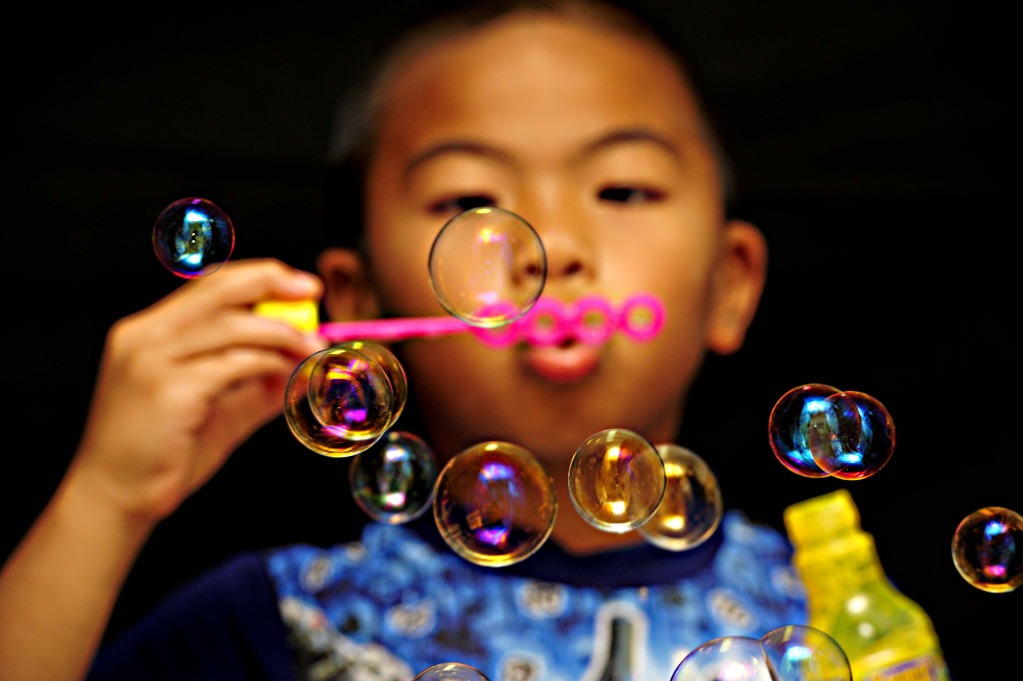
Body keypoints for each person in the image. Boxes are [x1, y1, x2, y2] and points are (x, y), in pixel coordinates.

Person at [0, 1, 814, 679]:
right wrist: (106, 500)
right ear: (358, 303)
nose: (551, 245)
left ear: (728, 284)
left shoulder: (827, 607)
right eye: (466, 201)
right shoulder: (278, 622)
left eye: (622, 189)